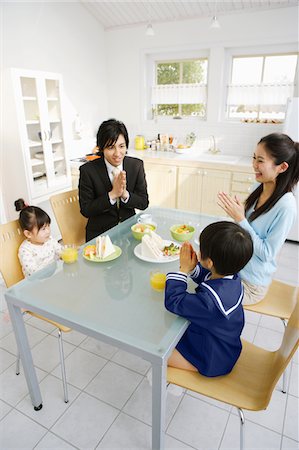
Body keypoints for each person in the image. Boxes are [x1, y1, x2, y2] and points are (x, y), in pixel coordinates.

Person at [218, 133, 299, 305]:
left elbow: (267, 254)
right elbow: (246, 229)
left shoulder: (286, 206)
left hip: (251, 285)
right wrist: (237, 216)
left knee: (205, 297)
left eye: (260, 160)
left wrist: (241, 220)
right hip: (235, 269)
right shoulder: (259, 187)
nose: (254, 165)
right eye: (254, 158)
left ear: (282, 167)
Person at [165, 221, 253, 376]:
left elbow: (174, 301)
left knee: (160, 356)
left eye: (202, 250)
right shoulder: (233, 277)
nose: (199, 252)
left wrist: (183, 271)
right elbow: (209, 278)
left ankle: (176, 381)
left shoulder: (210, 304)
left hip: (212, 359)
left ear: (210, 262)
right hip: (225, 346)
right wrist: (193, 269)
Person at [79, 118, 149, 241]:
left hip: (130, 231)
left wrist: (125, 195)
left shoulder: (136, 166)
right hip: (100, 235)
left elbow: (143, 203)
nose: (117, 153)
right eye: (111, 147)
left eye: (121, 146)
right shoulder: (88, 170)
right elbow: (86, 210)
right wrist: (112, 195)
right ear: (101, 148)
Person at [15, 198, 62, 277]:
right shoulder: (25, 250)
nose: (48, 231)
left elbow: (61, 251)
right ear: (28, 234)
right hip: (36, 283)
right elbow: (34, 272)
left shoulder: (49, 240)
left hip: (52, 277)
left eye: (48, 226)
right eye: (43, 229)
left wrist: (68, 252)